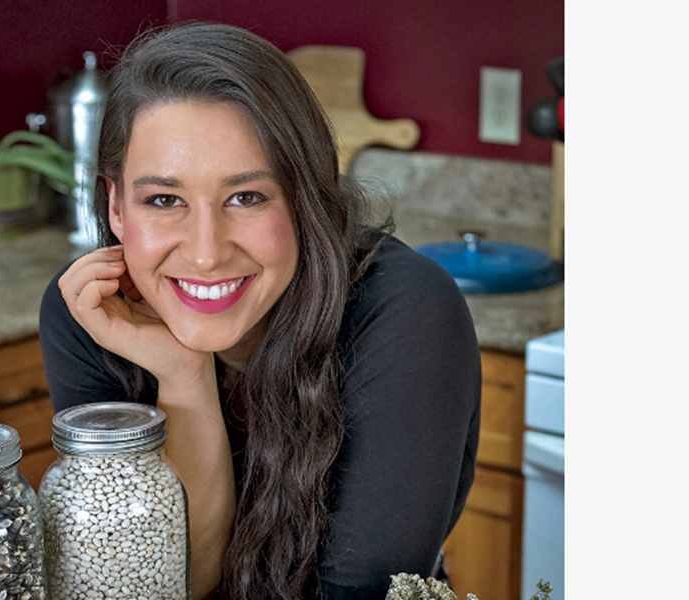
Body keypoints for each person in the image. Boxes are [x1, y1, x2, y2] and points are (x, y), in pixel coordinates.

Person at [39, 21, 481, 600]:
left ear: (305, 199)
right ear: (116, 207)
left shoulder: (405, 312)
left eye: (246, 197)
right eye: (164, 200)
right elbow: (152, 586)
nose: (205, 251)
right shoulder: (95, 314)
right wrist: (183, 377)